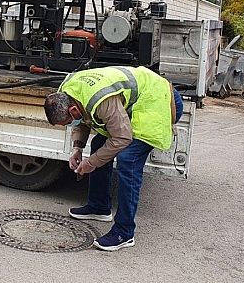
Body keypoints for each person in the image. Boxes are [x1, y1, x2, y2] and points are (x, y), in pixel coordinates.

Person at [44, 66, 183, 251]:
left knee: (128, 160)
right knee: (99, 146)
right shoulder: (68, 91)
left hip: (159, 101)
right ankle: (99, 207)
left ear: (72, 109)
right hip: (136, 102)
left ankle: (124, 233)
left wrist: (91, 163)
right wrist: (77, 148)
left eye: (68, 122)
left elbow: (122, 137)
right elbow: (83, 118)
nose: (70, 125)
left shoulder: (102, 99)